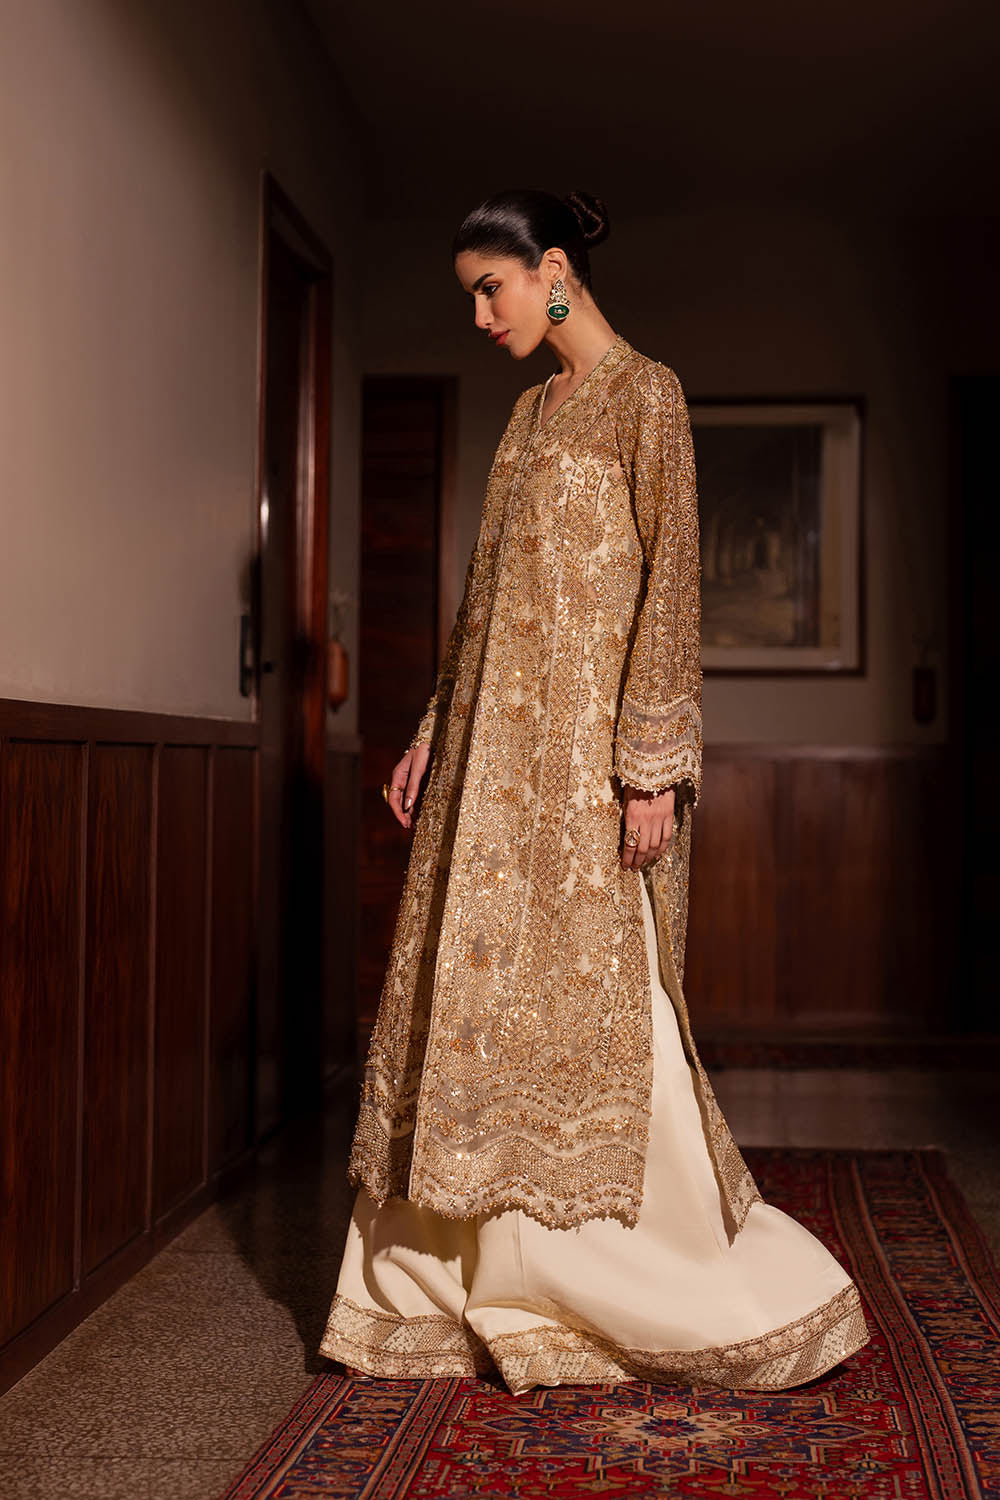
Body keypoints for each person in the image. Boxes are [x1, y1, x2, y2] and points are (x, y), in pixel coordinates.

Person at [318, 189, 870, 1395]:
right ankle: (475, 1279)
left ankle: (647, 1273)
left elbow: (673, 589)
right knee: (484, 1006)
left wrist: (649, 765)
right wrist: (431, 732)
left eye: (491, 288)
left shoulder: (647, 396)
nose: (480, 316)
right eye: (471, 295)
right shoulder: (527, 416)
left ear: (554, 268)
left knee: (604, 1004)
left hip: (587, 769)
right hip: (491, 771)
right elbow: (484, 600)